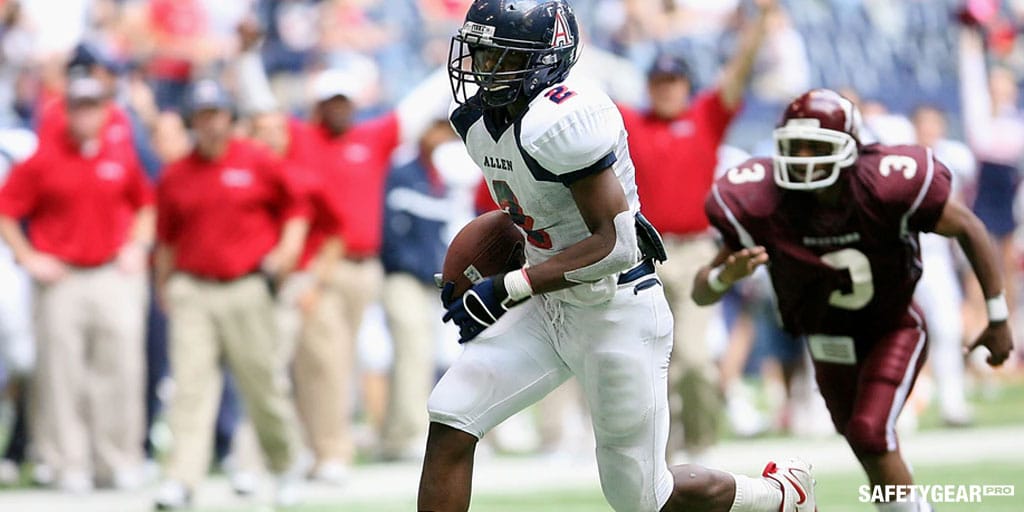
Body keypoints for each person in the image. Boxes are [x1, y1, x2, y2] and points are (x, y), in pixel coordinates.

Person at [419, 2, 815, 512]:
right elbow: (527, 211)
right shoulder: (478, 123)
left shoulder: (560, 120)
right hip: (551, 308)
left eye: (498, 56)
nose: (480, 67)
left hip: (615, 309)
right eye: (478, 52)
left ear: (542, 60)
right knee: (451, 416)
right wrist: (475, 266)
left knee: (643, 497)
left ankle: (781, 495)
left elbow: (617, 243)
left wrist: (511, 286)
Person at [693, 89, 1013, 511]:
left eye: (817, 148)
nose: (804, 159)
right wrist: (724, 275)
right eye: (795, 148)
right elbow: (702, 292)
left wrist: (997, 314)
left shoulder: (886, 182)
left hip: (892, 326)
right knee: (865, 444)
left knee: (870, 433)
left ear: (850, 149)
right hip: (824, 337)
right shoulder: (759, 197)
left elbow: (969, 227)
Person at [618, 0, 774, 459]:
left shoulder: (705, 116)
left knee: (691, 358)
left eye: (674, 82)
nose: (667, 90)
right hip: (643, 251)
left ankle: (701, 447)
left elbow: (738, 73)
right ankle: (667, 453)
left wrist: (761, 22)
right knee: (649, 362)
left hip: (694, 252)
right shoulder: (632, 122)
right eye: (659, 82)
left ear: (687, 85)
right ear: (649, 86)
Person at [152, 79, 308, 509]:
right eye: (202, 116)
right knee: (189, 387)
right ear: (193, 122)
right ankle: (181, 479)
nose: (210, 124)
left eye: (216, 114)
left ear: (229, 118)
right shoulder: (176, 174)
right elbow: (166, 238)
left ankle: (284, 465)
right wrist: (164, 286)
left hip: (246, 286)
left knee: (262, 385)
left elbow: (296, 208)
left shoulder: (257, 161)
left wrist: (287, 251)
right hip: (193, 287)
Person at [0, 74, 154, 492]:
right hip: (62, 277)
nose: (86, 115)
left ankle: (117, 459)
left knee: (120, 368)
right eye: (79, 107)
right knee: (61, 374)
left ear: (106, 111)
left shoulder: (121, 155)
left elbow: (145, 204)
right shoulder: (44, 159)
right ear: (66, 111)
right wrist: (28, 256)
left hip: (110, 271)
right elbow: (6, 209)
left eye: (94, 106)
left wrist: (138, 246)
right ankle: (68, 462)